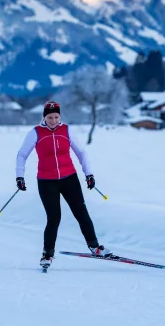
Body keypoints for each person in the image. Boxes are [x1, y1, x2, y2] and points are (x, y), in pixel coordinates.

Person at [15, 100, 112, 269]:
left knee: (81, 212)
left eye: (56, 117)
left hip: (69, 178)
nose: (53, 121)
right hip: (46, 181)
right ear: (44, 117)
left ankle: (95, 247)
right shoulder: (35, 133)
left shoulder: (66, 130)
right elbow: (22, 155)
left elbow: (81, 153)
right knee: (54, 218)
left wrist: (89, 174)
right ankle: (47, 255)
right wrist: (19, 177)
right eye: (50, 117)